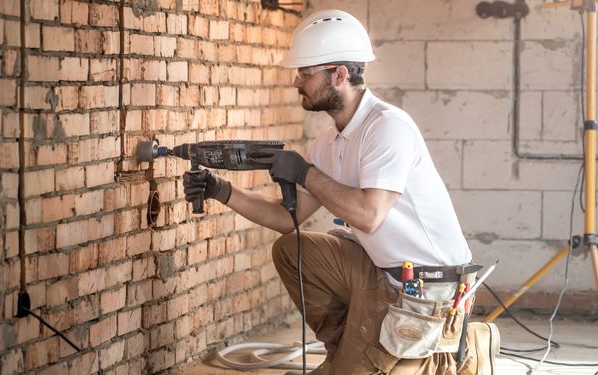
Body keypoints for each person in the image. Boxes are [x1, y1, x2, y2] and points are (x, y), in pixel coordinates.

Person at [184, 9, 497, 375]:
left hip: (431, 289)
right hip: (379, 272)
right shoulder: (327, 143)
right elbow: (289, 220)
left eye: (305, 73)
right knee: (292, 251)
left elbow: (368, 214)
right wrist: (221, 190)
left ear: (339, 74)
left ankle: (462, 350)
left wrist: (304, 171)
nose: (297, 83)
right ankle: (346, 348)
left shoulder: (388, 128)